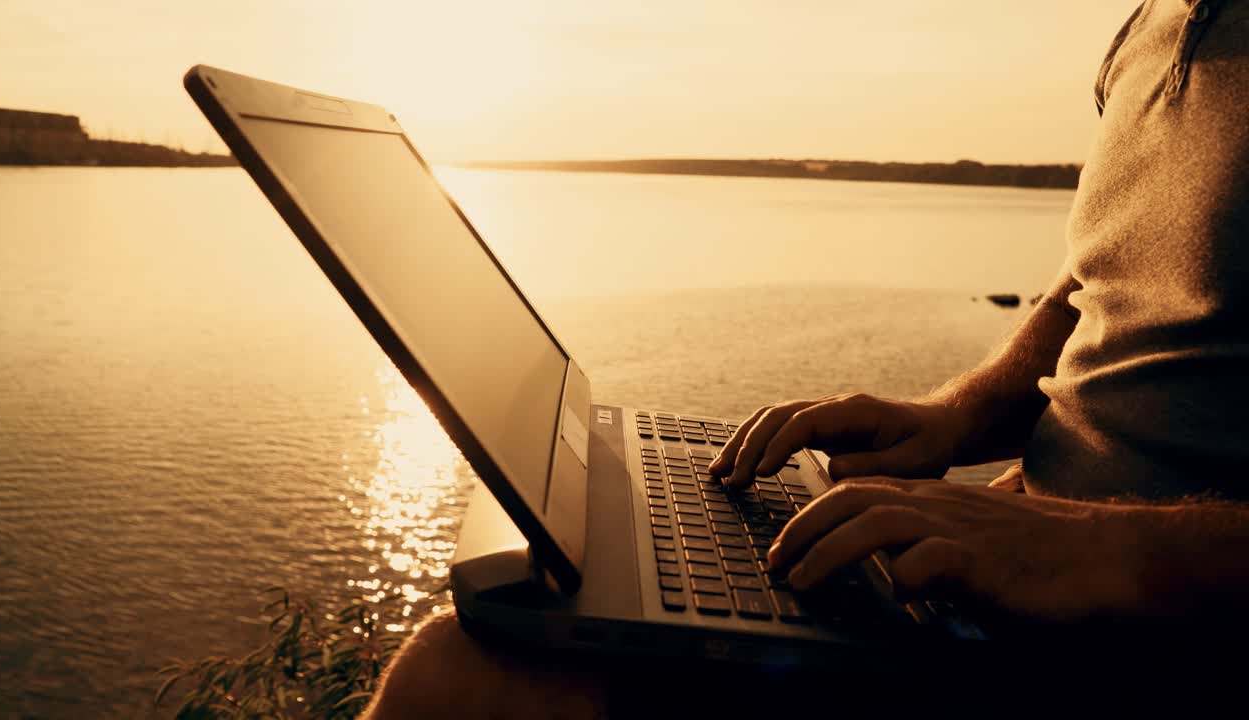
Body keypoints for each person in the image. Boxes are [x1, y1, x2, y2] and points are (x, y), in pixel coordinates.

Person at [363, 1, 1248, 716]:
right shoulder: (1153, 26)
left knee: (473, 683)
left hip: (1164, 628)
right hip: (999, 586)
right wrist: (956, 414)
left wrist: (1110, 547)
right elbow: (1091, 288)